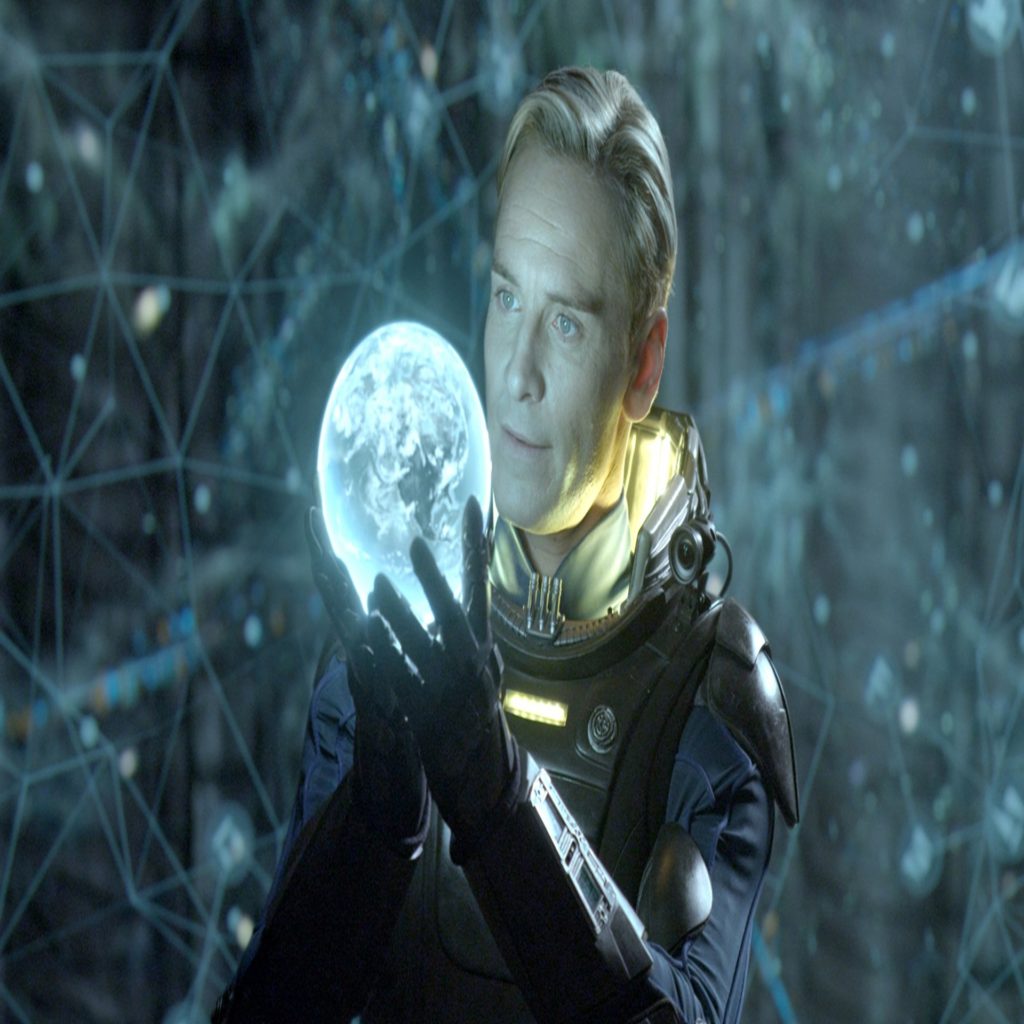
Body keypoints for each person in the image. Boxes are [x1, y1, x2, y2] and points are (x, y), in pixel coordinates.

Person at [213, 66, 799, 1024]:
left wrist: (496, 795)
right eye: (505, 298)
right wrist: (378, 818)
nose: (517, 373)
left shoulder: (711, 700)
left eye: (566, 322)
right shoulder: (381, 655)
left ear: (643, 361)